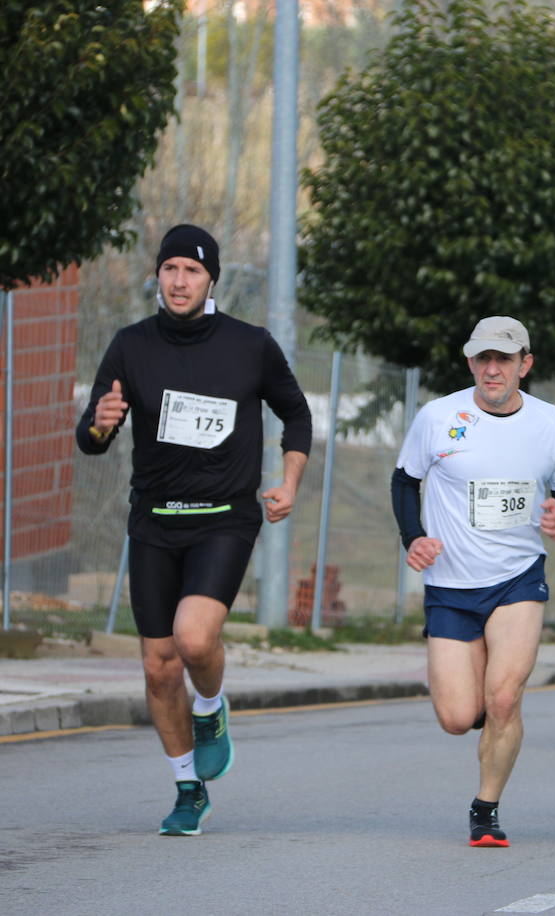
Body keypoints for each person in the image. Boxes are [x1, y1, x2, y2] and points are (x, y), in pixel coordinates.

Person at [75, 224, 312, 836]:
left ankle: (210, 706)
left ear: (212, 280)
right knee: (157, 666)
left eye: (193, 271)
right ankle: (188, 788)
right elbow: (92, 438)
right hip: (154, 518)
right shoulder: (131, 345)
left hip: (224, 518)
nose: (180, 281)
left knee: (194, 639)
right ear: (158, 275)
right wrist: (100, 424)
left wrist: (288, 481)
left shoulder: (249, 345)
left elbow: (296, 413)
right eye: (170, 268)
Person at [391, 316, 555, 847]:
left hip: (517, 579)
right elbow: (405, 479)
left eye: (505, 358)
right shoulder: (438, 417)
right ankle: (485, 708)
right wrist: (413, 536)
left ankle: (486, 807)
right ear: (470, 362)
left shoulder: (548, 423)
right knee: (458, 717)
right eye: (484, 358)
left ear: (525, 365)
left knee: (503, 699)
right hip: (450, 585)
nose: (493, 368)